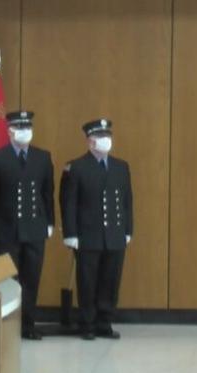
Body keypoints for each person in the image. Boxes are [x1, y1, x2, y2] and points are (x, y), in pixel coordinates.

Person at [0, 110, 55, 339]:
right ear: (9, 130)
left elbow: (47, 193)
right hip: (6, 230)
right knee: (7, 281)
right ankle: (7, 325)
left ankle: (28, 324)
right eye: (20, 127)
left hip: (35, 228)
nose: (24, 132)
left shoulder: (42, 157)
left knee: (31, 277)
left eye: (27, 127)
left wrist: (50, 222)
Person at [60, 118, 132, 340]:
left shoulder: (121, 167)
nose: (105, 140)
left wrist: (128, 229)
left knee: (110, 280)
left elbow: (127, 201)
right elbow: (68, 202)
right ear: (90, 141)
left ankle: (104, 321)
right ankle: (87, 323)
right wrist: (70, 233)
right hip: (87, 235)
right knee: (88, 280)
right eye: (100, 137)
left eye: (108, 136)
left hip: (115, 234)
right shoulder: (77, 167)